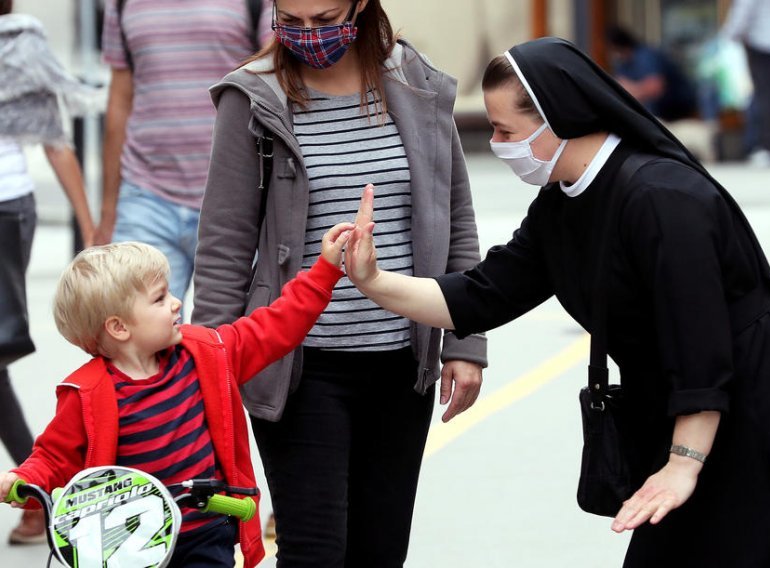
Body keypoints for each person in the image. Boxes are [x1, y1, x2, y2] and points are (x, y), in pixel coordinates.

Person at [344, 37, 770, 567]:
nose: (495, 143)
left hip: (755, 407)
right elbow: (480, 295)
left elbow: (699, 341)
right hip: (688, 411)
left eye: (505, 131)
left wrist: (684, 462)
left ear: (558, 118)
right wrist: (373, 280)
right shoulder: (564, 202)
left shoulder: (661, 198)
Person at [191, 0, 487, 564]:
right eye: (292, 22)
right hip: (299, 368)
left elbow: (457, 222)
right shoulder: (253, 97)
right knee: (314, 553)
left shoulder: (415, 83)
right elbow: (224, 248)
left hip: (404, 363)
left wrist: (466, 341)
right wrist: (210, 373)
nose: (310, 37)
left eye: (326, 21)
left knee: (380, 550)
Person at [0, 223, 351, 567]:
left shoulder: (206, 354)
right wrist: (24, 480)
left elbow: (273, 327)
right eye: (159, 298)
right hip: (130, 545)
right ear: (119, 327)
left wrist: (322, 272)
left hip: (207, 532)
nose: (175, 303)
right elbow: (55, 457)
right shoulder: (86, 393)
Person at [95, 0, 274, 303]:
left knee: (225, 339)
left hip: (236, 201)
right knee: (136, 337)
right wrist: (108, 212)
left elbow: (279, 77)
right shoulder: (122, 4)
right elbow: (119, 100)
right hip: (146, 196)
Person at [0, 0, 96, 545]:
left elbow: (56, 141)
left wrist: (87, 227)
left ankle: (38, 487)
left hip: (4, 210)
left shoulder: (21, 43)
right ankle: (38, 485)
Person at [721, 0, 770, 162]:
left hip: (762, 42)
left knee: (767, 97)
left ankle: (769, 146)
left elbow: (744, 9)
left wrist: (729, 36)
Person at [607, 25, 697, 123]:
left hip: (674, 112)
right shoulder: (622, 64)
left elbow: (656, 88)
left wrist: (634, 90)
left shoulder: (645, 55)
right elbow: (620, 88)